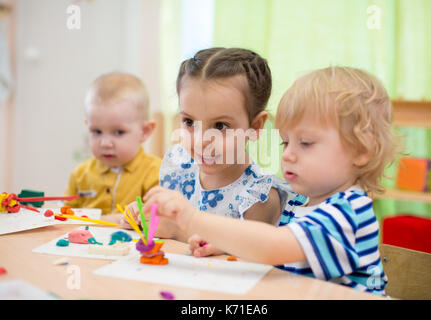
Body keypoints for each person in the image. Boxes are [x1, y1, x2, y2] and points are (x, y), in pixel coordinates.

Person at [142, 66, 399, 296]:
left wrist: (192, 218)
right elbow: (279, 255)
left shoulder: (348, 212)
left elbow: (274, 247)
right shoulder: (300, 204)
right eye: (286, 142)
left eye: (306, 143)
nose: (287, 154)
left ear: (361, 152)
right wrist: (225, 245)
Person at [122, 48, 294, 256]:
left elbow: (249, 253)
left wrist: (176, 230)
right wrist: (142, 216)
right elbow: (160, 221)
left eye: (220, 125)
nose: (201, 140)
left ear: (256, 126)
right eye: (189, 122)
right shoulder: (179, 169)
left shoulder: (258, 196)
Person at [64, 72, 162, 220]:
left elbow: (159, 221)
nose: (105, 143)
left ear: (144, 131)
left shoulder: (156, 173)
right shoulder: (80, 175)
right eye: (96, 131)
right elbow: (65, 218)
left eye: (118, 132)